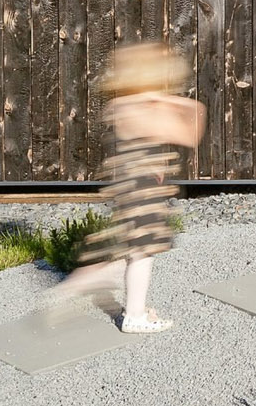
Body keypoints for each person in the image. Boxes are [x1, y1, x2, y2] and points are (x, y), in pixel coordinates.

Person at [45, 42, 205, 333]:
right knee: (142, 253)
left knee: (132, 249)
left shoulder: (121, 105)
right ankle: (134, 315)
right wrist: (184, 104)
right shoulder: (145, 108)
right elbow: (189, 134)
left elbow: (141, 146)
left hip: (132, 190)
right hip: (143, 195)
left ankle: (81, 283)